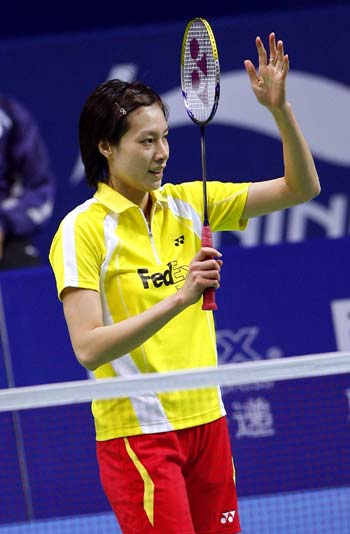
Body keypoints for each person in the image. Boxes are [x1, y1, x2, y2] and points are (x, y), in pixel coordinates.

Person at [49, 33, 320, 534]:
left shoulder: (188, 203)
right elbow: (88, 348)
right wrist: (182, 297)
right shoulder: (81, 230)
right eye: (146, 141)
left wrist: (280, 111)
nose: (162, 153)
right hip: (140, 434)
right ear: (106, 147)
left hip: (207, 419)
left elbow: (300, 188)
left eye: (166, 137)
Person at [0, 94, 55, 270]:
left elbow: (38, 188)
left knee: (25, 273)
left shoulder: (10, 116)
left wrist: (4, 223)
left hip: (6, 235)